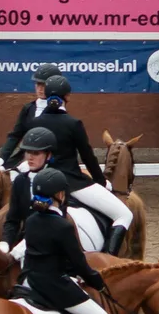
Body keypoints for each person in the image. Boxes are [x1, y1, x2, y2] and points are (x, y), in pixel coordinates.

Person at [17, 168, 108, 314]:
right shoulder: (63, 226)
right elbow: (79, 263)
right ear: (59, 194)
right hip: (54, 285)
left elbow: (45, 254)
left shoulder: (31, 220)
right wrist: (97, 280)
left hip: (32, 281)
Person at [31, 75, 133, 255]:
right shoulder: (73, 124)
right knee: (125, 215)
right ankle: (108, 261)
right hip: (72, 183)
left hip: (40, 181)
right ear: (67, 97)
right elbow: (88, 157)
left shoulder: (35, 123)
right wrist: (102, 181)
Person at [0, 127, 57, 256]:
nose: (30, 157)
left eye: (36, 153)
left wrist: (23, 246)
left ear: (49, 155)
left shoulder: (56, 180)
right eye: (28, 152)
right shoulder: (20, 181)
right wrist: (5, 243)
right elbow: (12, 219)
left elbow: (52, 222)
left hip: (51, 245)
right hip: (24, 241)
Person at [0, 63, 62, 173]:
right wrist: (1, 157)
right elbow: (16, 135)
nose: (40, 89)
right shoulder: (28, 108)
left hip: (48, 160)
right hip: (24, 157)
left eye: (44, 85)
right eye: (38, 84)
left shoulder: (59, 110)